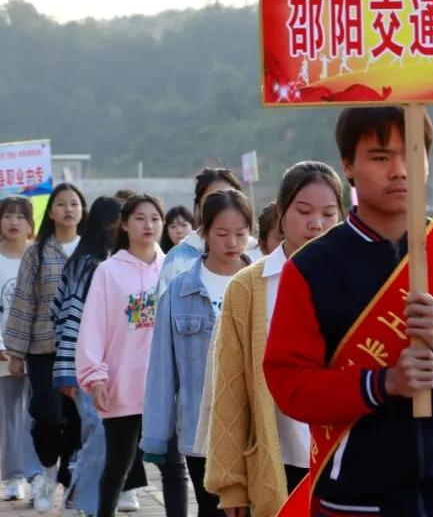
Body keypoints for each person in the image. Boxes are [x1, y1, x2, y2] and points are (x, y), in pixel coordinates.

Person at [264, 107, 433, 517]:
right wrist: (383, 383)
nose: (399, 170)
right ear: (347, 166)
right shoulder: (312, 270)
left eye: (412, 154)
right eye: (381, 157)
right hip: (356, 497)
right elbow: (290, 387)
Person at [205, 162, 345, 517]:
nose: (317, 223)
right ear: (281, 213)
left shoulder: (361, 280)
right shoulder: (249, 287)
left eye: (329, 213)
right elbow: (230, 391)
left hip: (347, 457)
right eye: (304, 211)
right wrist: (232, 484)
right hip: (280, 459)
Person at [142, 189, 255, 517]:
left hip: (255, 427)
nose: (232, 243)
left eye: (240, 234)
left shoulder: (263, 284)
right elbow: (163, 370)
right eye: (221, 234)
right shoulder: (179, 291)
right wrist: (156, 438)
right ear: (203, 233)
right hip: (199, 427)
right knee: (213, 509)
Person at [77, 194, 172, 517]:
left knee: (174, 468)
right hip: (123, 385)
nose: (148, 225)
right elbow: (93, 327)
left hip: (166, 387)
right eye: (140, 218)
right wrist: (95, 376)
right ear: (125, 224)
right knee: (118, 464)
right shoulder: (108, 271)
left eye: (155, 218)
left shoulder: (174, 269)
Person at [4, 182, 87, 514]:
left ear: (83, 211)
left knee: (79, 420)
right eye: (62, 204)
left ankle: (71, 485)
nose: (68, 209)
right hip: (43, 349)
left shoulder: (94, 252)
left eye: (74, 204)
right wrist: (15, 353)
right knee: (48, 415)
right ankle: (47, 472)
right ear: (51, 211)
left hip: (83, 352)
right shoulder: (36, 253)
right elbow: (24, 303)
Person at [0, 197, 43, 502]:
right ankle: (13, 476)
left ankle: (38, 472)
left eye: (20, 216)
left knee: (38, 416)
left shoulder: (41, 257)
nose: (14, 222)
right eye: (7, 216)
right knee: (10, 417)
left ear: (31, 224)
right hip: (2, 354)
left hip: (39, 351)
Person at [157, 168, 263, 296]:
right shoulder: (178, 258)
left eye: (230, 195)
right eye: (213, 197)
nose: (223, 203)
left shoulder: (258, 253)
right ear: (199, 204)